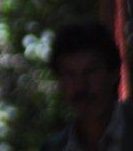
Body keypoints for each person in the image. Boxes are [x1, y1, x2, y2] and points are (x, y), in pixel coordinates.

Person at [43, 21, 133, 150]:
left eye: (91, 71)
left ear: (113, 74)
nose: (81, 86)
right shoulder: (56, 147)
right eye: (70, 75)